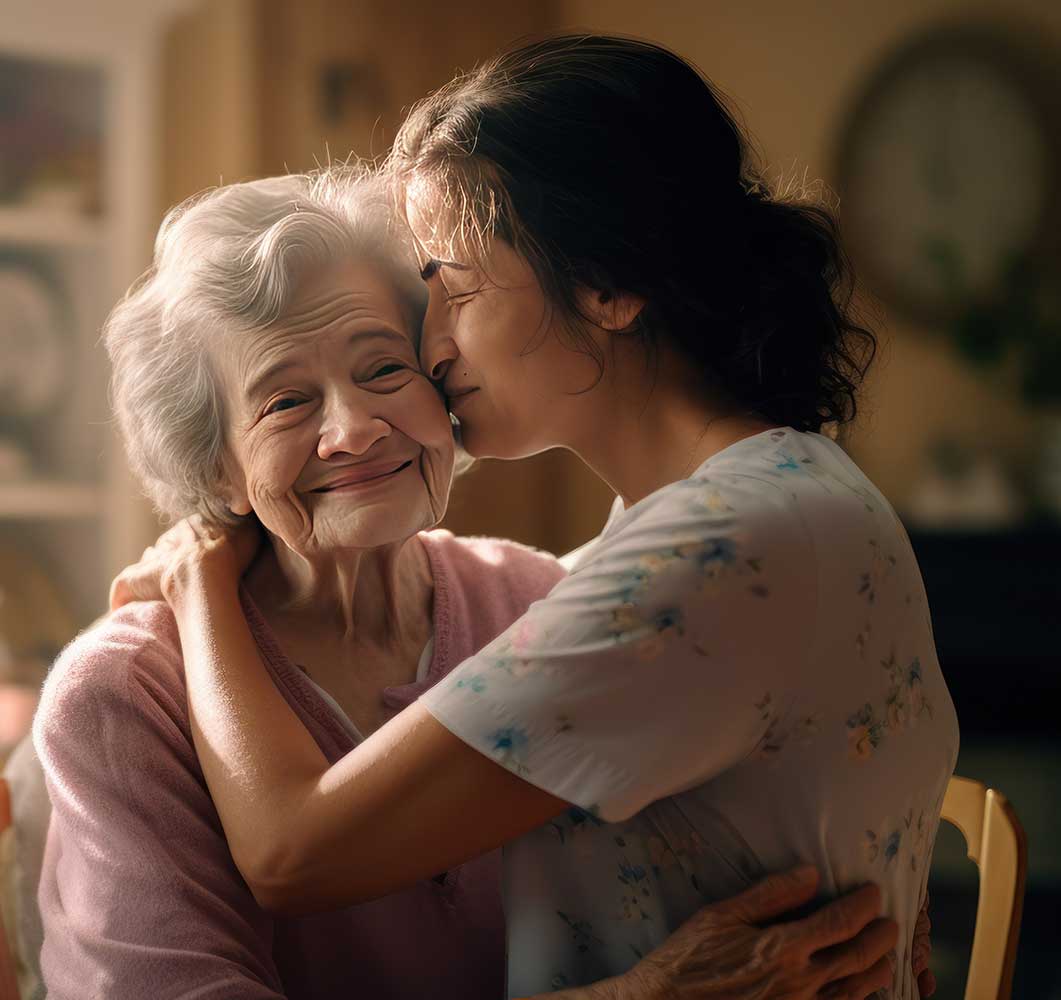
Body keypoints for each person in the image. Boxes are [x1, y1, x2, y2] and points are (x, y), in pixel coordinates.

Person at [111, 35, 952, 1000]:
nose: (431, 346)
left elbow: (295, 854)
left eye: (455, 290)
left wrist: (196, 579)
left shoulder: (713, 551)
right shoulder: (760, 502)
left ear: (608, 284)